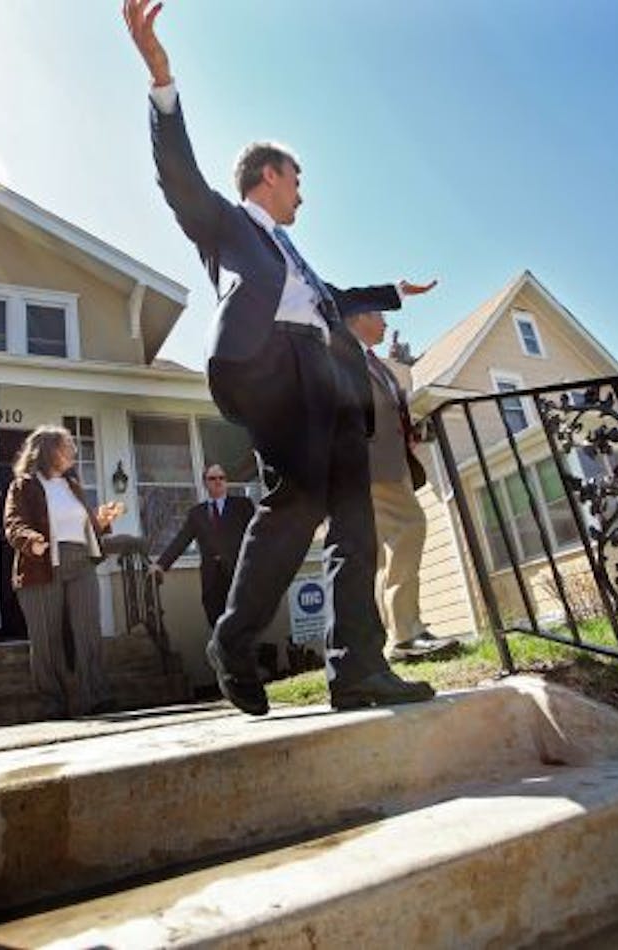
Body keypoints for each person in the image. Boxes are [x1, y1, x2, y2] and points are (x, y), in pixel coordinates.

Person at [123, 0, 440, 715]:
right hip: (270, 372)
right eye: (296, 178)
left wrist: (392, 291)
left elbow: (330, 295)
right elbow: (177, 178)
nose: (303, 191)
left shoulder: (293, 257)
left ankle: (356, 667)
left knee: (353, 521)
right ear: (268, 176)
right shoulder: (228, 227)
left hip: (329, 380)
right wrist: (161, 84)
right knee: (294, 508)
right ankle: (233, 641)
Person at [345, 310, 463, 661]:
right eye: (379, 315)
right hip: (374, 464)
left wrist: (409, 432)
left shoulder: (375, 363)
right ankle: (406, 634)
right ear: (359, 317)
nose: (385, 323)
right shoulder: (343, 355)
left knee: (388, 551)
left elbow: (388, 407)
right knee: (410, 527)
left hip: (392, 461)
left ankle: (398, 636)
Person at [3, 425, 125, 718]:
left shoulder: (73, 485)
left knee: (88, 630)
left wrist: (102, 520)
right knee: (46, 639)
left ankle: (94, 696)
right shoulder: (24, 485)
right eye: (66, 445)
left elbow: (84, 526)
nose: (73, 450)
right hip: (41, 564)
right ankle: (52, 703)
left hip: (80, 560)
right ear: (49, 451)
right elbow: (13, 523)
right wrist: (30, 541)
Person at [151, 463, 256, 627]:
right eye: (212, 478)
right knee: (217, 627)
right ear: (205, 483)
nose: (218, 481)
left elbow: (258, 534)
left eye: (222, 478)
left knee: (241, 629)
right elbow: (181, 540)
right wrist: (160, 565)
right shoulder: (197, 513)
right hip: (212, 581)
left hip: (238, 578)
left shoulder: (243, 506)